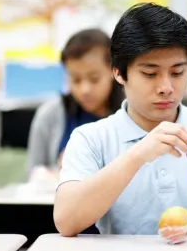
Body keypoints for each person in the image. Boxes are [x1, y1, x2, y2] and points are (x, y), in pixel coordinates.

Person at [54, 3, 187, 237]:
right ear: (118, 72)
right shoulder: (91, 137)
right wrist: (137, 155)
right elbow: (66, 221)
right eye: (150, 74)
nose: (166, 88)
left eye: (177, 72)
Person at [27, 28, 124, 179]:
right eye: (75, 79)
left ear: (114, 71)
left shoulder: (134, 113)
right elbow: (34, 173)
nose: (84, 90)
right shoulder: (50, 115)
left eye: (94, 78)